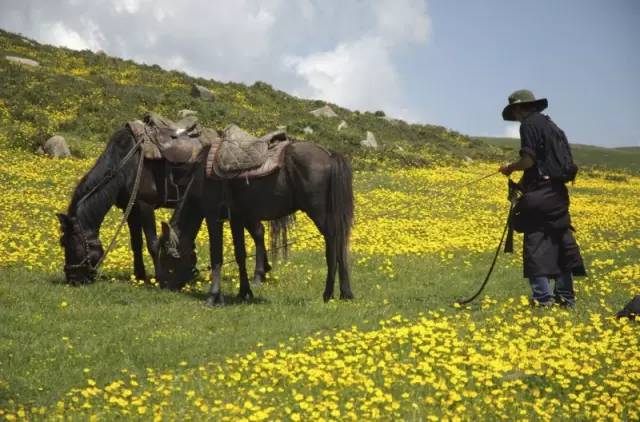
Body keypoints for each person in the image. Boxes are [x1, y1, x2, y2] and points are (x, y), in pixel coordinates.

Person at [499, 89, 586, 307]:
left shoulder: (528, 125)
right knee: (561, 241)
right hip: (558, 193)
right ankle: (566, 297)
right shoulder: (551, 126)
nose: (516, 117)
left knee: (535, 243)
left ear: (519, 108)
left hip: (540, 194)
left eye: (515, 111)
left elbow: (528, 161)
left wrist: (510, 167)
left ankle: (543, 298)